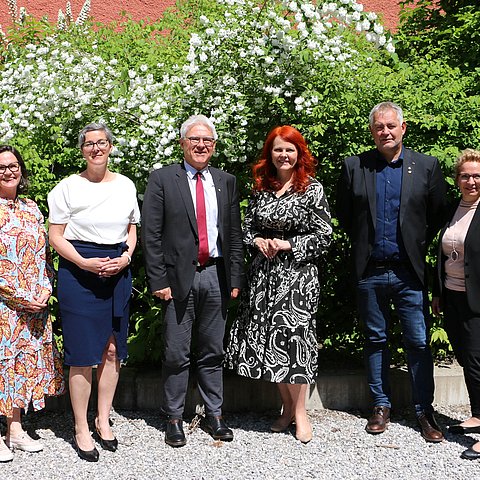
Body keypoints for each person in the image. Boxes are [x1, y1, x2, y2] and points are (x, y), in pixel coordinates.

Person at [336, 101, 447, 442]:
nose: (385, 131)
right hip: (370, 271)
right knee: (375, 339)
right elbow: (344, 215)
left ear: (403, 129)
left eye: (390, 126)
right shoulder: (355, 166)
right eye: (378, 127)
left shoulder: (426, 167)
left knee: (417, 342)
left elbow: (438, 214)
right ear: (372, 132)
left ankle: (423, 410)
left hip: (408, 273)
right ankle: (380, 405)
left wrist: (415, 244)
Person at [142, 114, 244, 448]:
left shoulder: (225, 181)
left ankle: (214, 413)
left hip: (215, 274)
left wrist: (235, 278)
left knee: (213, 349)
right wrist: (158, 278)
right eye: (195, 140)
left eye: (208, 141)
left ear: (214, 147)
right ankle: (173, 416)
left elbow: (233, 235)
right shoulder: (162, 180)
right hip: (176, 278)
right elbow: (151, 235)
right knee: (176, 351)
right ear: (183, 143)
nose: (201, 146)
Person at [226, 126, 332, 443]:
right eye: (277, 150)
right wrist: (258, 240)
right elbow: (245, 230)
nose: (283, 155)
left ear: (299, 154)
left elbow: (325, 235)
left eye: (289, 149)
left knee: (293, 342)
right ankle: (286, 408)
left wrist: (288, 245)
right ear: (269, 154)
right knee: (272, 344)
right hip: (264, 277)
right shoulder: (262, 189)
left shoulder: (312, 189)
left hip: (298, 277)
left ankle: (300, 414)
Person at [47, 123, 140, 462]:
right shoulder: (68, 187)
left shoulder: (126, 185)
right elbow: (56, 236)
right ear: (82, 149)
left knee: (113, 350)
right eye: (89, 144)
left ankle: (103, 418)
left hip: (117, 270)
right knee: (82, 355)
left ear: (111, 147)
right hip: (79, 271)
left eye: (102, 142)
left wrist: (127, 257)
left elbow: (132, 228)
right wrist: (85, 263)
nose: (96, 149)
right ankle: (81, 427)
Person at [0, 145, 64, 463]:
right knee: (1, 365)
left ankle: (15, 428)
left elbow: (45, 255)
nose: (8, 171)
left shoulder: (31, 207)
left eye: (13, 165)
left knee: (22, 365)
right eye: (1, 167)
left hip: (35, 306)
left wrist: (45, 288)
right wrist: (20, 296)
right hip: (4, 306)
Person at [432, 149, 480, 460]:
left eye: (477, 175)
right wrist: (438, 293)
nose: (471, 180)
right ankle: (477, 414)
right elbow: (443, 252)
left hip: (478, 299)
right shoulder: (453, 208)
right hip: (452, 295)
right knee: (465, 357)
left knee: (478, 362)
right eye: (465, 175)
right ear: (456, 179)